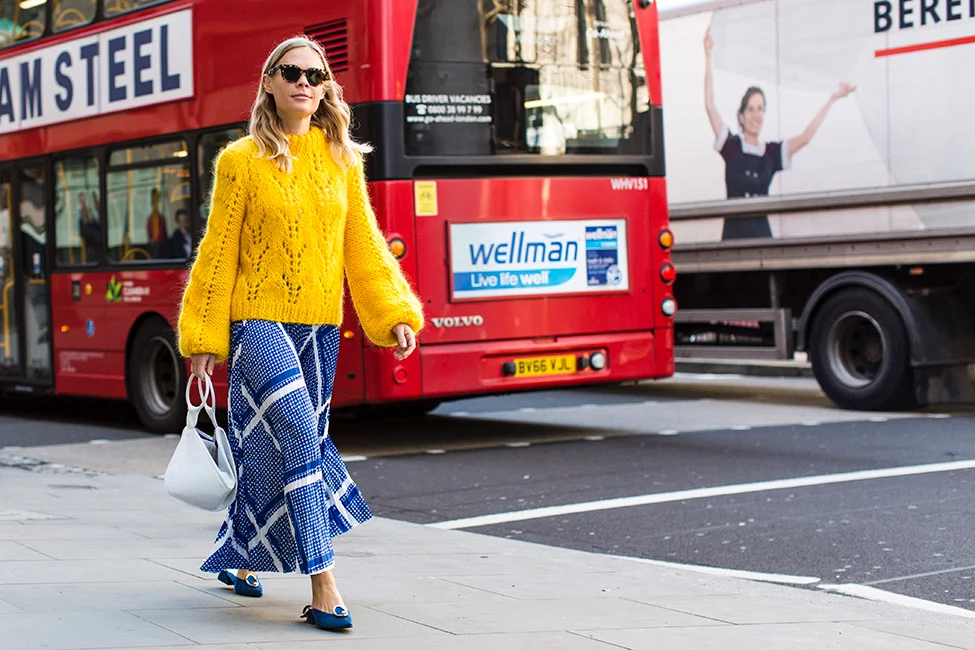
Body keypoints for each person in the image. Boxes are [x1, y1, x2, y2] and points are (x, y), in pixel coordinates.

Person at [177, 36, 424, 632]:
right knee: (298, 435)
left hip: (318, 328)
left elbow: (361, 244)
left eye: (314, 75)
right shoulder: (240, 161)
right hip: (256, 321)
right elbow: (218, 252)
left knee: (274, 449)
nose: (303, 82)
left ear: (326, 88)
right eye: (290, 73)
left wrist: (393, 312)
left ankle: (238, 553)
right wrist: (204, 336)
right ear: (269, 82)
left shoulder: (342, 159)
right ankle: (324, 579)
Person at [704, 28, 855, 240]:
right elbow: (710, 106)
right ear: (741, 116)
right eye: (751, 109)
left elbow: (805, 138)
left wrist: (833, 99)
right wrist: (708, 56)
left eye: (761, 109)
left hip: (761, 238)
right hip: (733, 240)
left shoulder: (771, 154)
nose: (756, 115)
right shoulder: (731, 146)